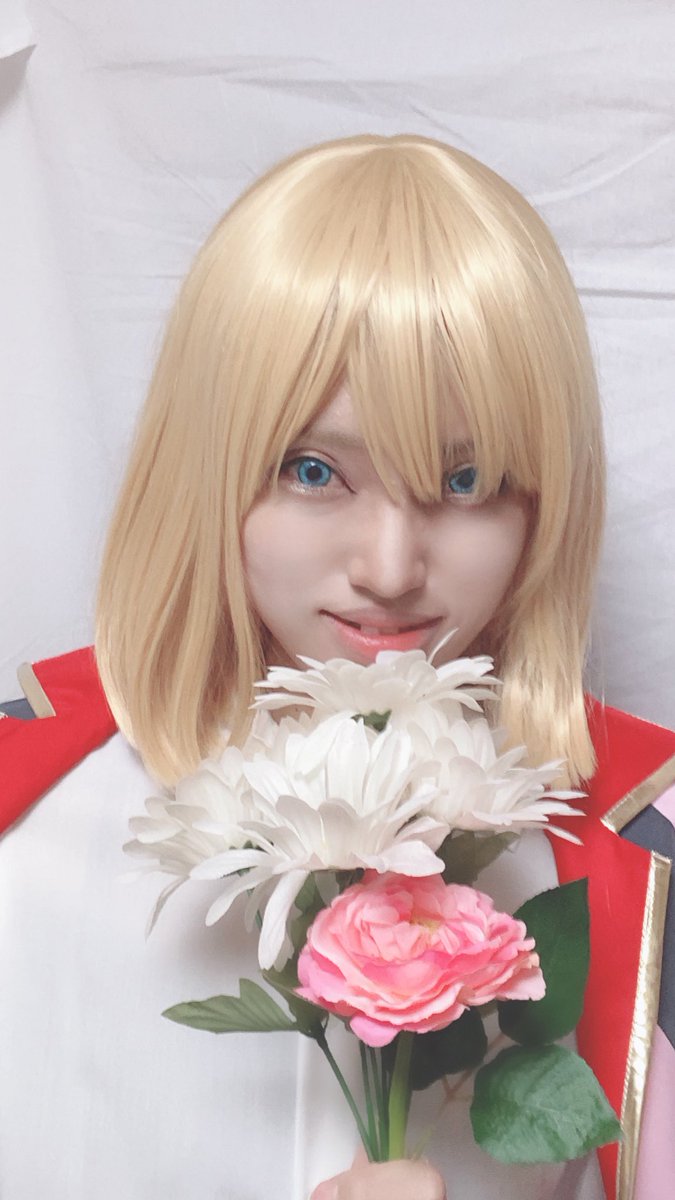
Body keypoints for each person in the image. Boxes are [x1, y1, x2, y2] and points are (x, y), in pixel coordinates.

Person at [1, 134, 674, 1200]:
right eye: (314, 471)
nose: (390, 570)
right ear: (204, 468)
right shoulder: (22, 795)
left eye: (466, 480)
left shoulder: (652, 837)